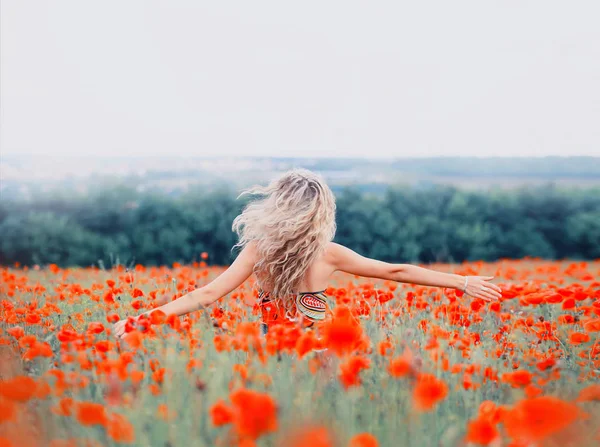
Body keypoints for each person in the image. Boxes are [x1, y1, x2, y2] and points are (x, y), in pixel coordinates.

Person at [112, 169, 501, 338]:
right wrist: (462, 282)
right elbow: (395, 271)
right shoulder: (329, 253)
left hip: (273, 349)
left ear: (276, 206)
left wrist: (144, 318)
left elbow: (206, 295)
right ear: (322, 212)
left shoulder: (257, 251)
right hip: (321, 345)